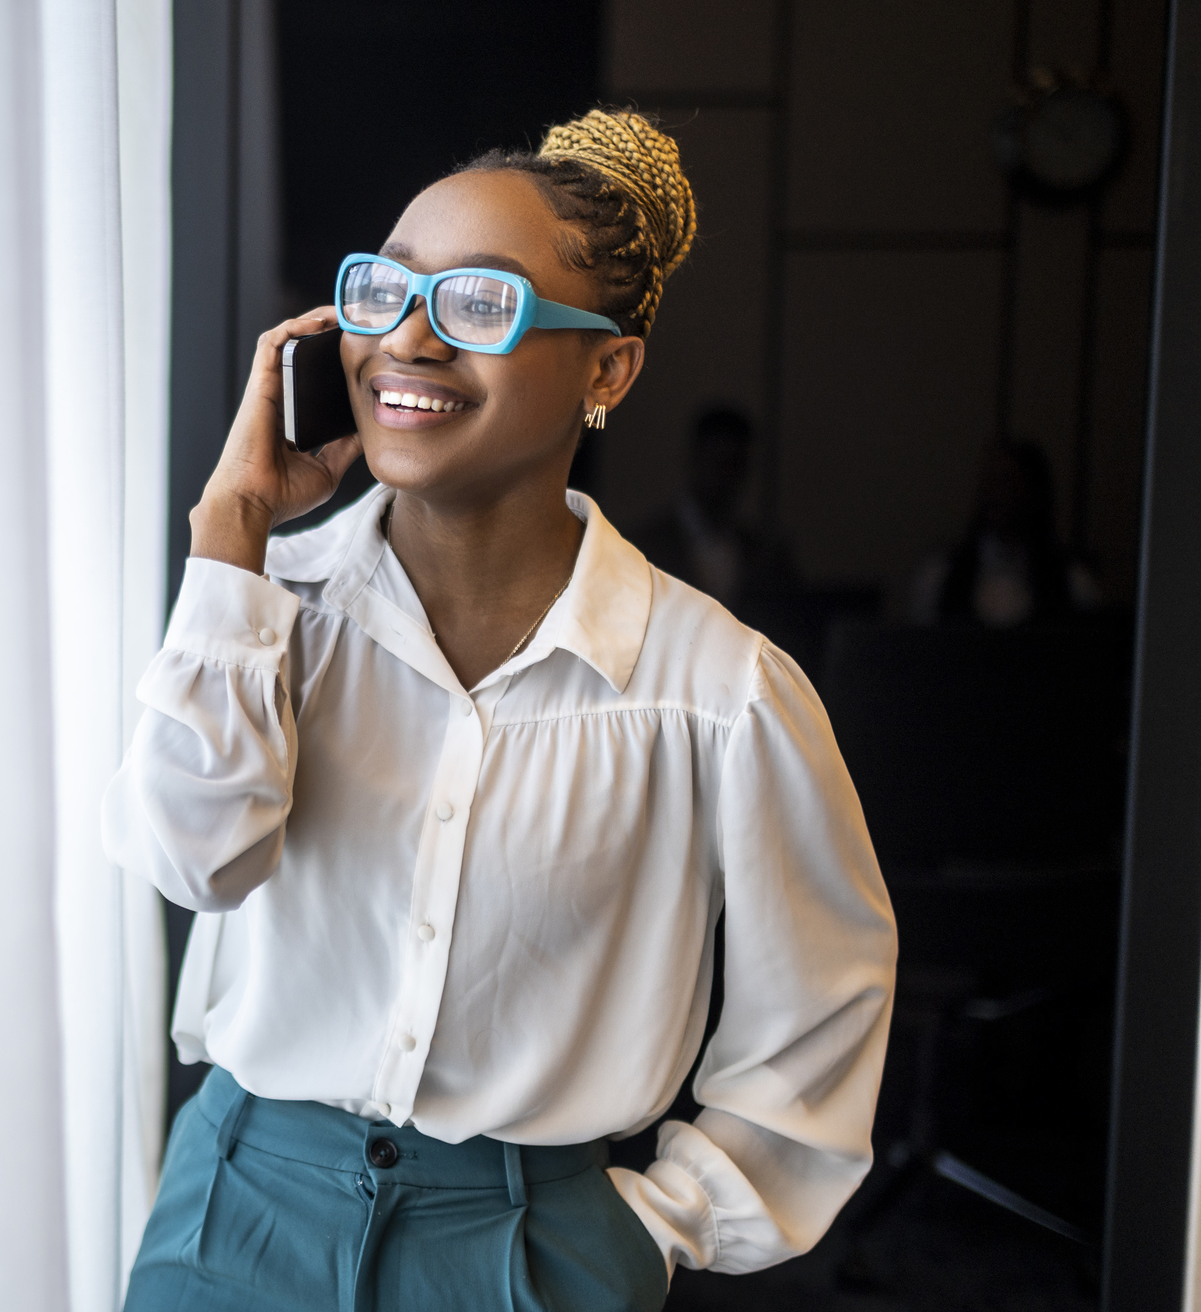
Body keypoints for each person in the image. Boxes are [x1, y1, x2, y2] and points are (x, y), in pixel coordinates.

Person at [104, 110, 895, 1311]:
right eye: (384, 293)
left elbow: (824, 1011)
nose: (407, 340)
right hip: (234, 1217)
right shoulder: (260, 607)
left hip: (525, 1249)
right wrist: (231, 537)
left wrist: (647, 1228)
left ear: (607, 370)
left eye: (479, 304)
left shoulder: (720, 694)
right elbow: (189, 860)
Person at [908, 439, 1101, 627]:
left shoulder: (1073, 584)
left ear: (1033, 492)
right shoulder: (940, 578)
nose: (994, 493)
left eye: (1006, 481)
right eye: (988, 481)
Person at [627, 404, 798, 611]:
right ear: (695, 460)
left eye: (735, 464)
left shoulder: (765, 554)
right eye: (718, 462)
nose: (726, 476)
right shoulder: (645, 547)